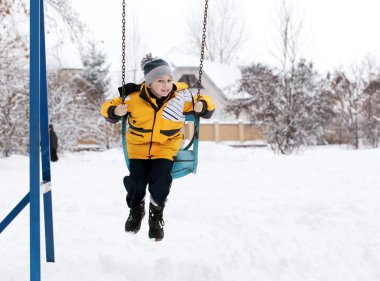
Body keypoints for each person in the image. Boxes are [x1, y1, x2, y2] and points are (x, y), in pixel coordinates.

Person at [100, 53, 215, 241]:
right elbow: (107, 106)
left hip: (165, 148)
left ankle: (156, 212)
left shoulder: (180, 98)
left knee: (160, 180)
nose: (166, 85)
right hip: (138, 148)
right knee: (137, 183)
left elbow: (207, 103)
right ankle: (136, 209)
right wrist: (115, 110)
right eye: (160, 80)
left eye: (169, 80)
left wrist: (202, 106)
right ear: (149, 83)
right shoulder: (133, 98)